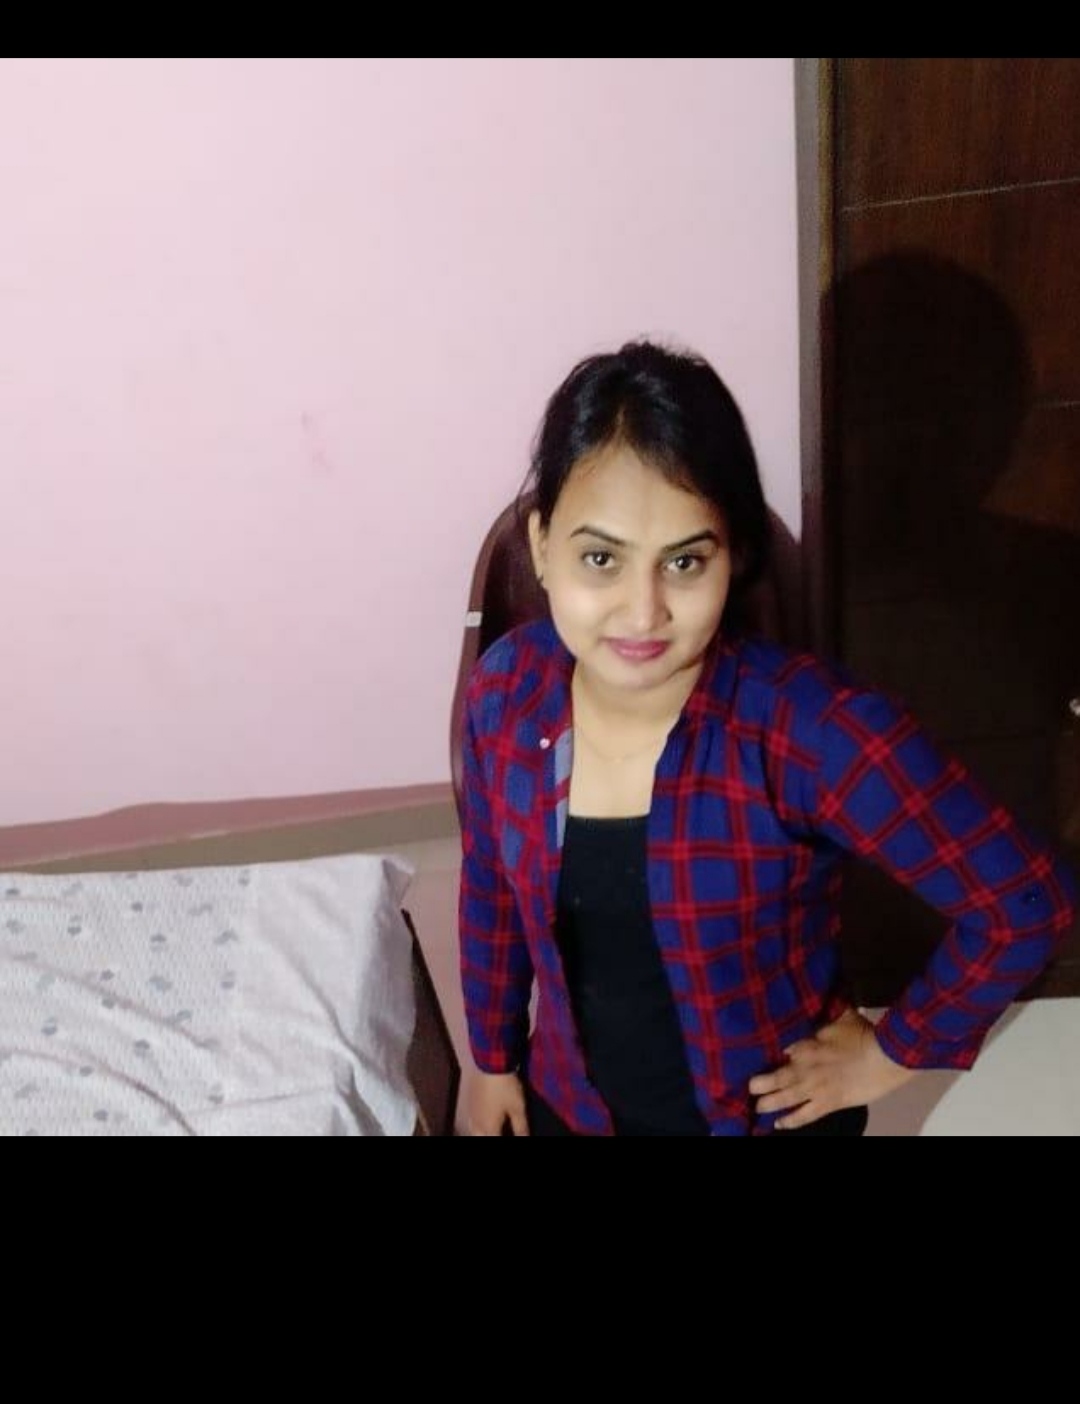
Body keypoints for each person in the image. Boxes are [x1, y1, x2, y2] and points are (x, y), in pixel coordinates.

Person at [457, 338, 1078, 1136]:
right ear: (543, 545)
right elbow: (490, 887)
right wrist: (492, 1058)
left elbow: (1024, 903)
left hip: (761, 1118)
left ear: (736, 554)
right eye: (602, 558)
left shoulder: (810, 730)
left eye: (685, 563)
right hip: (572, 1108)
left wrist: (893, 1052)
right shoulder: (507, 693)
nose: (642, 613)